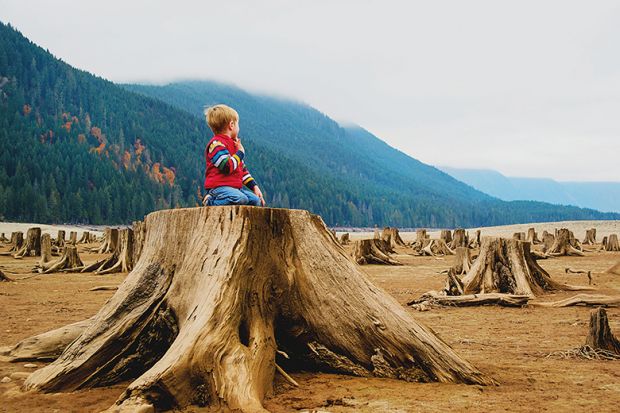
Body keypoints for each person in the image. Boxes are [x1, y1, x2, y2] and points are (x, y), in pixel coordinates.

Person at [202, 104, 265, 207]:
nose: (238, 127)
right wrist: (240, 153)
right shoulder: (216, 144)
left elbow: (242, 171)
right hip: (218, 188)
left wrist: (254, 187)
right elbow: (226, 166)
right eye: (237, 124)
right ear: (231, 125)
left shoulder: (234, 145)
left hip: (235, 188)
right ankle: (211, 202)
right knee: (240, 199)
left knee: (255, 201)